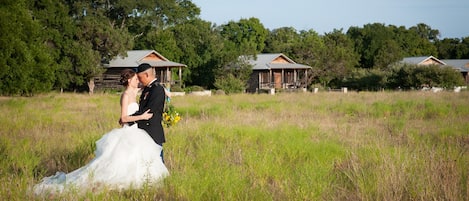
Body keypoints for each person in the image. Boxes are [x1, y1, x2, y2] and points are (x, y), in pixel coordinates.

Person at [33, 69, 169, 195]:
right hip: (129, 132)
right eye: (135, 79)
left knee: (135, 160)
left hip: (136, 132)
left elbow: (151, 94)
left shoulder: (136, 93)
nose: (137, 81)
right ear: (129, 81)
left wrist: (165, 93)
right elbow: (123, 118)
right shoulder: (126, 95)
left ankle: (138, 185)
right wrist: (141, 117)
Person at [132, 63, 168, 163]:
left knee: (156, 162)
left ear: (147, 75)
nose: (139, 80)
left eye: (140, 77)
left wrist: (130, 119)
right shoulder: (148, 88)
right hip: (143, 131)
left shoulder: (157, 89)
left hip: (152, 131)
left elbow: (149, 110)